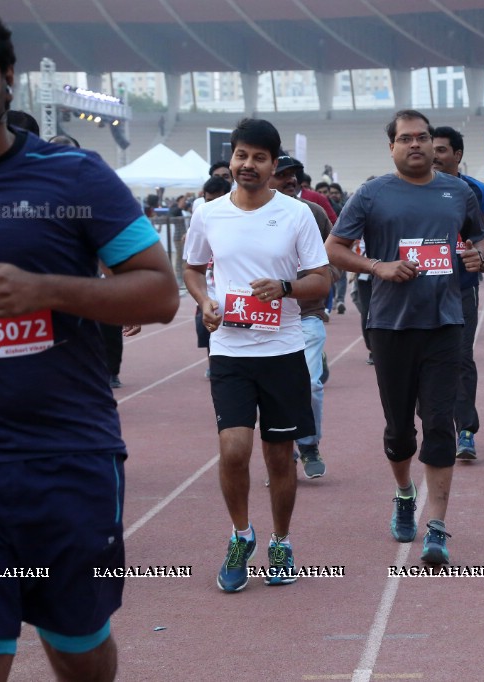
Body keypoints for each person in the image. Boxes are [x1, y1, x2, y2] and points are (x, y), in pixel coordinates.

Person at [0, 2, 180, 679]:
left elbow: (159, 293)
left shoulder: (74, 179)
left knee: (77, 647)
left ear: (7, 79)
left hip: (65, 460)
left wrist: (45, 289)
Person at [326, 109, 484, 565]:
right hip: (390, 326)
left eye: (422, 137)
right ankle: (403, 493)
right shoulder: (372, 194)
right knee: (400, 430)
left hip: (445, 324)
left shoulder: (458, 191)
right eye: (405, 139)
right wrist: (379, 266)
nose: (415, 145)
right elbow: (334, 248)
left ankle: (435, 525)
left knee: (439, 423)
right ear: (391, 146)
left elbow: (477, 239)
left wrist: (479, 257)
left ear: (433, 142)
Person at [184, 118, 330, 592]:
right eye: (242, 155)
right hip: (229, 348)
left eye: (259, 158)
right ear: (232, 159)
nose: (248, 165)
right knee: (233, 449)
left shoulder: (295, 214)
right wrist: (205, 302)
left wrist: (285, 288)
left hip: (283, 348)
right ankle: (241, 534)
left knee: (279, 456)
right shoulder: (207, 214)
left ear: (273, 164)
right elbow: (192, 268)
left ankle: (281, 541)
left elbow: (321, 279)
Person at [269, 153, 339, 478]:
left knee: (309, 385)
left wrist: (320, 279)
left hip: (307, 315)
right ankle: (281, 454)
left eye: (295, 175)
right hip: (263, 319)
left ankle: (309, 445)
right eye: (283, 175)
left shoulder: (313, 213)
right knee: (272, 392)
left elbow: (337, 254)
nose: (291, 180)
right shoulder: (246, 216)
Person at [431, 125, 484, 460]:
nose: (433, 155)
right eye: (431, 148)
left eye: (441, 150)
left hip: (460, 288)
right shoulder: (412, 188)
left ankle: (466, 430)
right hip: (420, 290)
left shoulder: (475, 191)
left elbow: (482, 237)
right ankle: (432, 425)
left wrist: (481, 257)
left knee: (461, 358)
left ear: (457, 155)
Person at [192, 175, 232, 378]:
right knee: (206, 332)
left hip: (237, 298)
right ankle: (214, 365)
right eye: (208, 200)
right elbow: (190, 267)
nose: (212, 205)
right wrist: (202, 298)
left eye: (217, 199)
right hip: (209, 298)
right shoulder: (201, 219)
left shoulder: (237, 222)